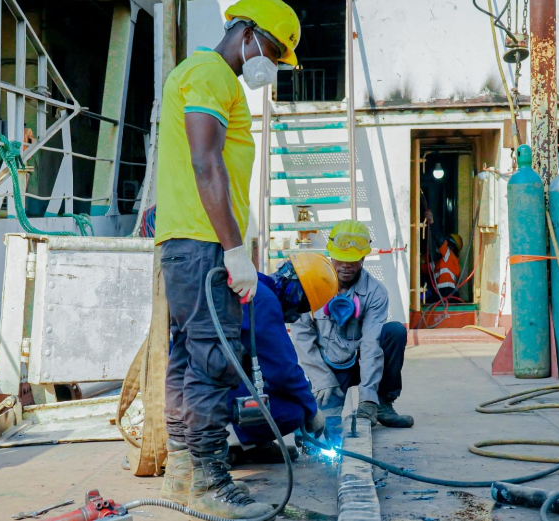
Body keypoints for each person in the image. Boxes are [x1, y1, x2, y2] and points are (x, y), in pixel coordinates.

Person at [154, 0, 300, 518]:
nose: (273, 64)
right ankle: (211, 484)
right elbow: (205, 160)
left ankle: (182, 472)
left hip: (190, 243)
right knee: (214, 360)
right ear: (246, 33)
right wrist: (235, 250)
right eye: (274, 51)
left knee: (189, 356)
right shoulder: (211, 74)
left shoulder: (205, 76)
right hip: (204, 244)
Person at [291, 220, 414, 447]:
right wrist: (322, 380)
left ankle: (382, 404)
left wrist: (368, 398)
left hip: (359, 360)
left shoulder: (376, 292)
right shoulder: (310, 286)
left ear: (363, 257)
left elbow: (371, 344)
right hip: (327, 365)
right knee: (322, 429)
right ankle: (324, 400)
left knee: (394, 332)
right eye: (340, 259)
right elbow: (301, 339)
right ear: (330, 255)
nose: (346, 266)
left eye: (352, 260)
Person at [227, 253, 338, 463]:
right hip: (209, 388)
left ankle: (252, 446)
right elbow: (283, 370)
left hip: (202, 378)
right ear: (296, 289)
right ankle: (221, 444)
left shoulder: (257, 285)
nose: (297, 315)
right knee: (292, 412)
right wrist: (311, 410)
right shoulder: (264, 300)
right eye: (302, 305)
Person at [422, 208, 462, 303]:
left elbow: (440, 240)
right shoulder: (439, 263)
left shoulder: (450, 257)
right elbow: (423, 269)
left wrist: (431, 223)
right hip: (439, 296)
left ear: (451, 247)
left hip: (449, 295)